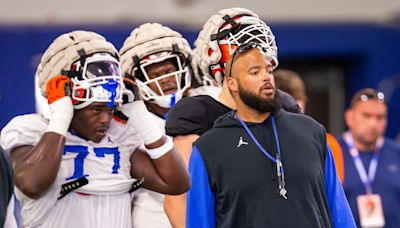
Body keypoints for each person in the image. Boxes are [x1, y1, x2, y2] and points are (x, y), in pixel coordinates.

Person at [0, 30, 190, 228]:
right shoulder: (32, 131)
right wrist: (60, 119)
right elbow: (32, 185)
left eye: (110, 110)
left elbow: (177, 183)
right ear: (66, 99)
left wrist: (141, 118)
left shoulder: (118, 138)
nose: (105, 119)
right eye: (96, 109)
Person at [187, 42, 355, 228]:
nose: (266, 77)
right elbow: (199, 222)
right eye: (254, 72)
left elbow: (339, 210)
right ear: (232, 84)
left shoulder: (312, 132)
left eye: (268, 70)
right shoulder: (209, 148)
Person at [164, 7, 301, 227]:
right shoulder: (197, 114)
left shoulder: (284, 107)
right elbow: (179, 199)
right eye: (244, 45)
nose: (255, 51)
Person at [119, 22, 200, 227]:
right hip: (155, 217)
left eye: (169, 70)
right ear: (135, 82)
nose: (166, 80)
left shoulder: (208, 102)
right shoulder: (128, 126)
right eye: (155, 76)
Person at [337, 88, 400, 228]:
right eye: (366, 115)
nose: (373, 124)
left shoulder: (397, 154)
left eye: (380, 117)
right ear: (349, 117)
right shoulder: (332, 152)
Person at [274, 68, 345, 183]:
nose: (293, 107)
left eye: (296, 101)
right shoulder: (262, 141)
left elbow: (332, 191)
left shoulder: (327, 142)